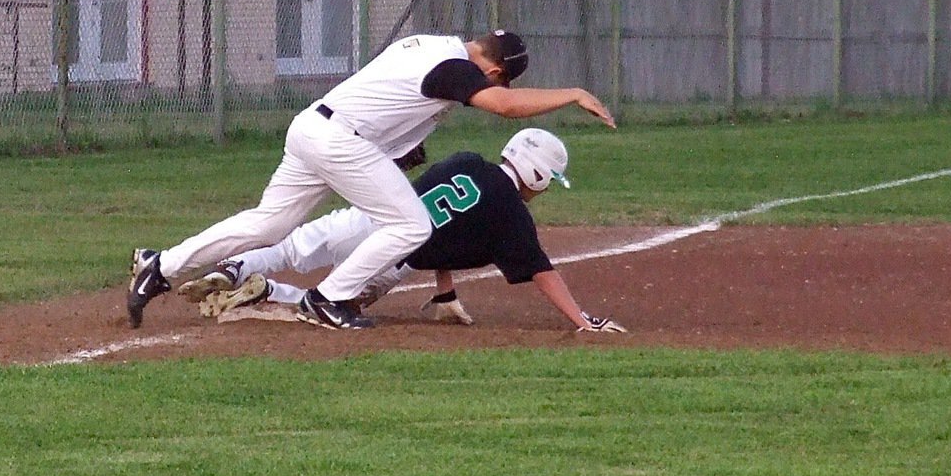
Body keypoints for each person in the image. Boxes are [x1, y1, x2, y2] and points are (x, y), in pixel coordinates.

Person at [127, 31, 616, 330]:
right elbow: (506, 108)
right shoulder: (453, 68)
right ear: (490, 69)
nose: (492, 88)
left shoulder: (431, 45)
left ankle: (161, 265)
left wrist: (397, 150)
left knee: (267, 226)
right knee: (411, 225)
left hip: (315, 128)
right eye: (495, 81)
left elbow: (393, 107)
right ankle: (328, 299)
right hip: (340, 138)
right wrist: (573, 93)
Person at [179, 128, 625, 333]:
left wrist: (446, 293)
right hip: (395, 256)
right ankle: (272, 294)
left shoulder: (467, 160)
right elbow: (542, 271)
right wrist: (583, 321)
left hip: (373, 215)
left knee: (294, 246)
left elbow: (444, 215)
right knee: (340, 300)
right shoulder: (511, 214)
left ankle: (238, 268)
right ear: (539, 175)